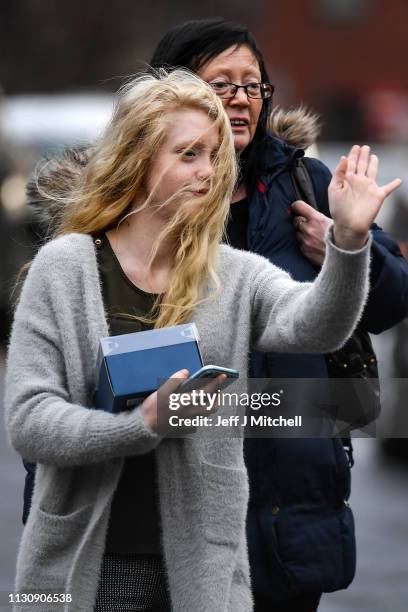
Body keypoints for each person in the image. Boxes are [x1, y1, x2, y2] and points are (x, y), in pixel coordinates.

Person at [4, 69, 400, 612]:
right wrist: (141, 424)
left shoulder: (231, 272)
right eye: (188, 155)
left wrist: (349, 241)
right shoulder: (64, 267)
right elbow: (29, 420)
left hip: (203, 570)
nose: (208, 173)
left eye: (214, 156)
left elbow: (318, 324)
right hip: (78, 567)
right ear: (138, 159)